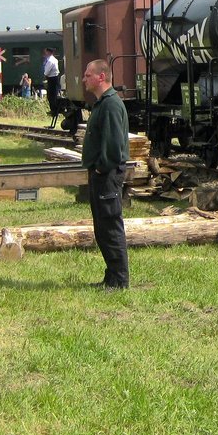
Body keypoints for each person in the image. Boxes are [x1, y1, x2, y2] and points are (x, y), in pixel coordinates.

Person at [81, 59, 130, 290]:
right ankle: (111, 277)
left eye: (88, 75)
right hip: (100, 173)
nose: (84, 79)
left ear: (101, 77)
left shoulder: (110, 104)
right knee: (102, 227)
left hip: (107, 174)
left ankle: (120, 280)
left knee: (110, 226)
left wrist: (101, 168)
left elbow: (113, 145)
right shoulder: (102, 103)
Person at [43, 47, 61, 114]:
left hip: (52, 78)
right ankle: (54, 109)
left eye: (46, 52)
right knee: (54, 94)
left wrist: (44, 76)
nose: (45, 53)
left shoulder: (50, 60)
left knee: (51, 95)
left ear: (49, 52)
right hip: (55, 78)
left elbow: (47, 71)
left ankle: (54, 110)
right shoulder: (54, 59)